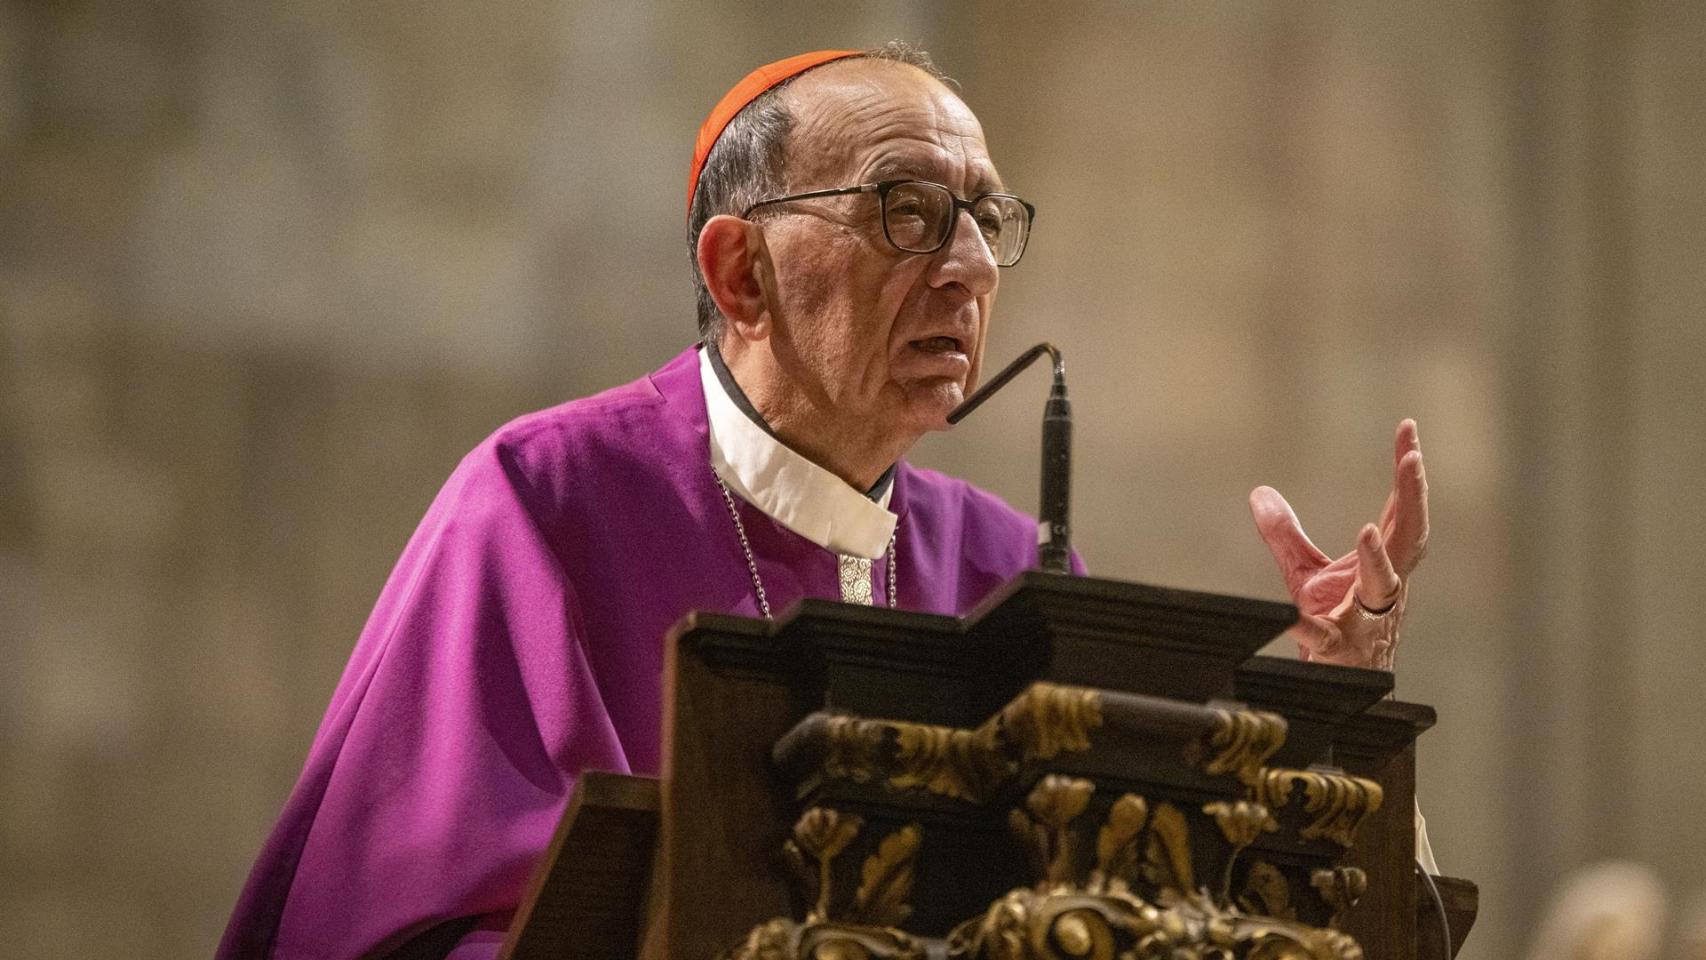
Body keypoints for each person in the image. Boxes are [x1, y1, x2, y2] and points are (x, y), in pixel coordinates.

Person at [217, 43, 1430, 960]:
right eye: (904, 210)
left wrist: (1320, 713)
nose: (963, 265)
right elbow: (401, 929)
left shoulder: (1005, 564)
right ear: (740, 272)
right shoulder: (543, 502)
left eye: (984, 219)